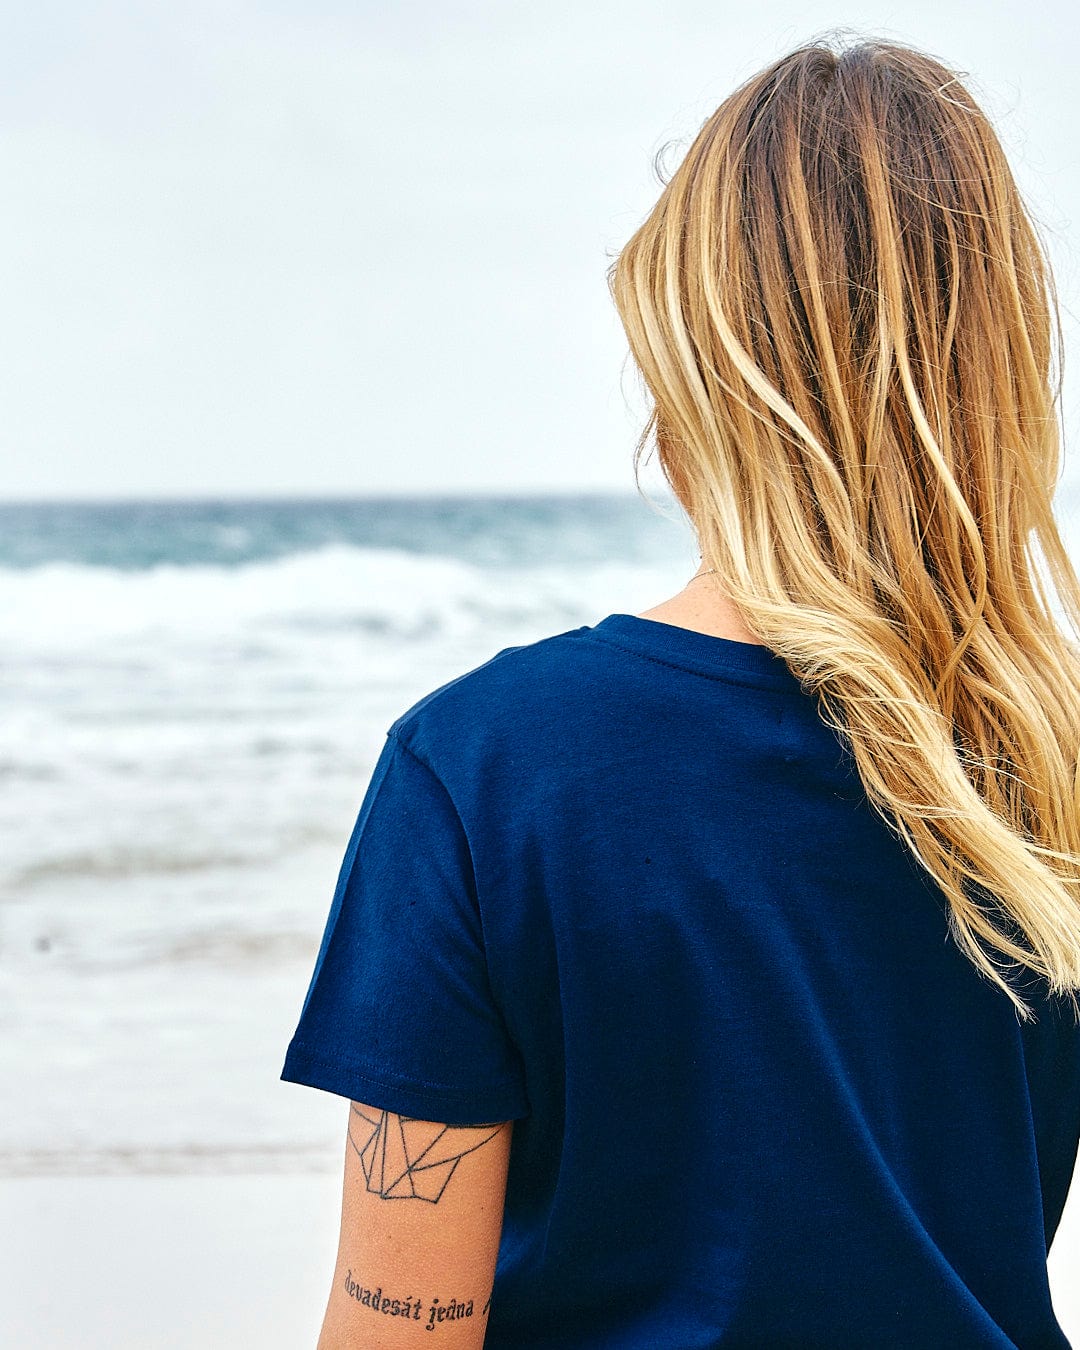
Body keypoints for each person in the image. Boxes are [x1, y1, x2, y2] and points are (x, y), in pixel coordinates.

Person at [280, 32, 1080, 1348]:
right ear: (985, 366)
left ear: (688, 369)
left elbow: (400, 1333)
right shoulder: (1044, 769)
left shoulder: (482, 771)